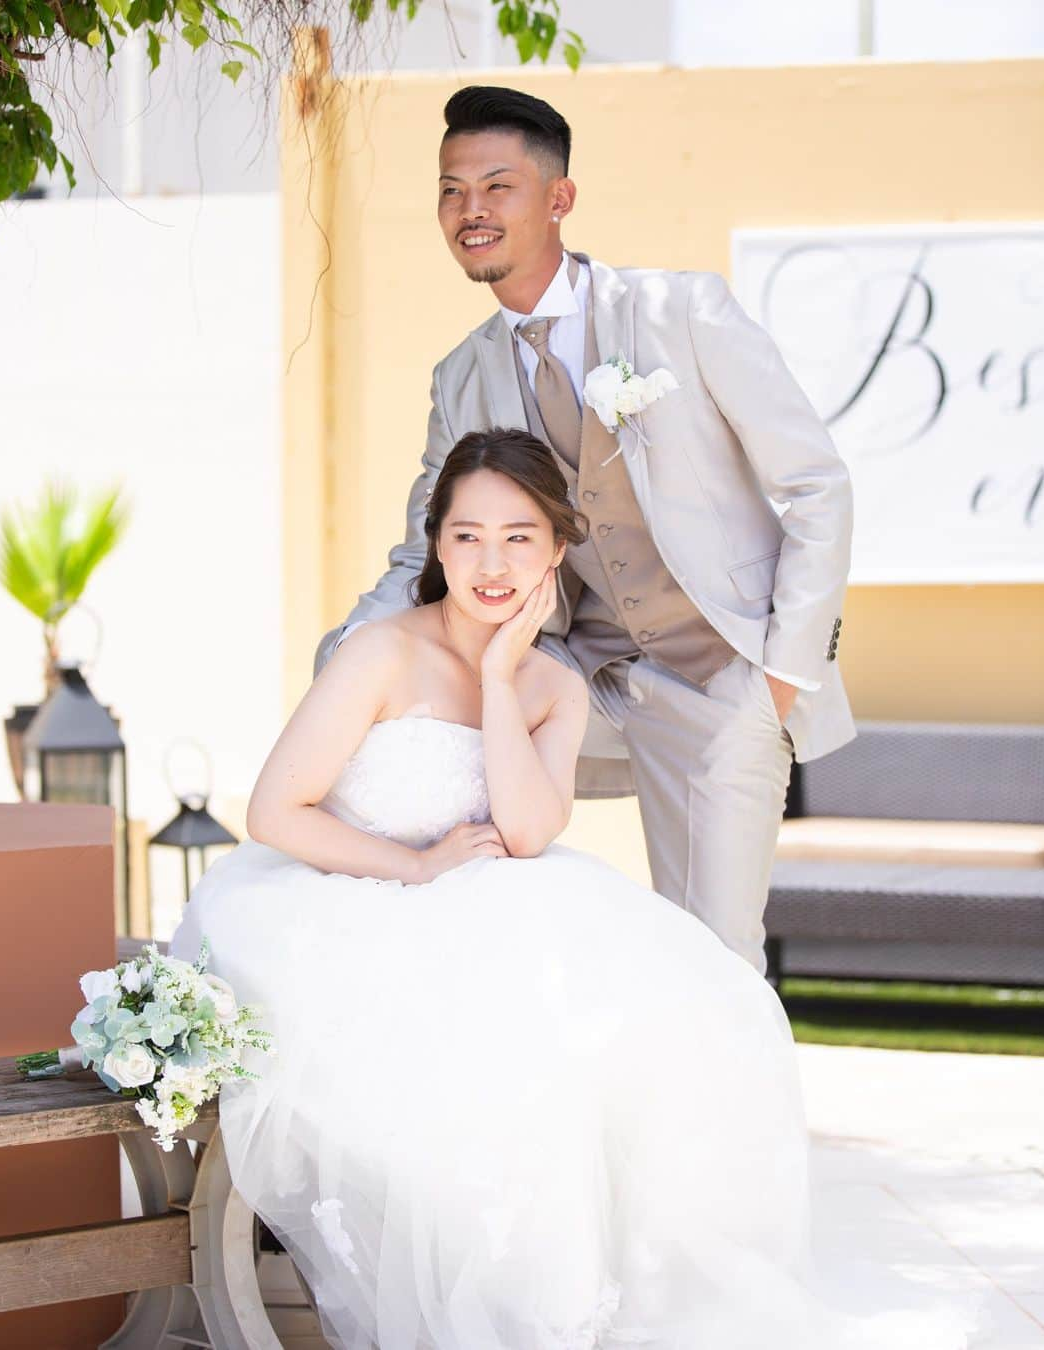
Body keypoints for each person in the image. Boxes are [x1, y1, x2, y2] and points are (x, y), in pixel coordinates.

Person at [170, 430, 977, 1350]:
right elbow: (275, 810)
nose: (492, 562)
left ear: (558, 550)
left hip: (484, 895)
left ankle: (607, 1299)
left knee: (692, 1015)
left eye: (520, 537)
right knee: (483, 1061)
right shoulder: (379, 655)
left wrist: (499, 675)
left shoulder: (551, 686)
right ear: (436, 546)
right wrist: (419, 868)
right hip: (338, 895)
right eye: (467, 536)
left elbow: (524, 833)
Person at [313, 84, 857, 977]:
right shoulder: (463, 377)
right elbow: (426, 544)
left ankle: (725, 1117)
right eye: (451, 190)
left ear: (559, 199)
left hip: (722, 680)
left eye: (497, 186)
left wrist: (779, 678)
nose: (470, 211)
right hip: (576, 674)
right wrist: (354, 649)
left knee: (713, 961)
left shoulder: (682, 314)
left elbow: (817, 487)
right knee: (450, 824)